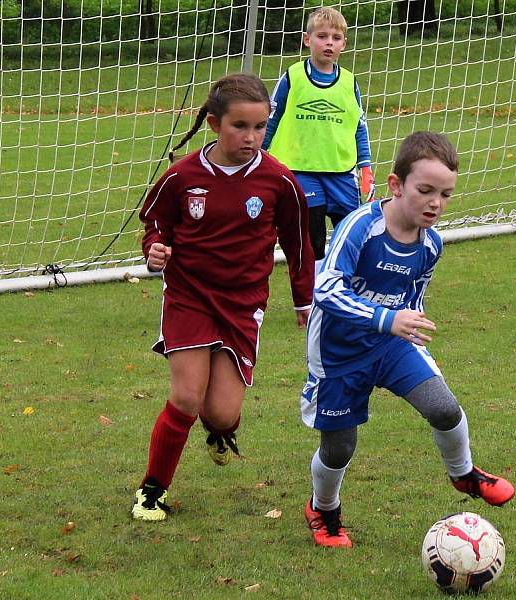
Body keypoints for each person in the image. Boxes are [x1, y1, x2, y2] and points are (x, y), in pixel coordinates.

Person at [299, 131, 515, 547]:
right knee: (340, 447)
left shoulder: (431, 244)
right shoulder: (361, 226)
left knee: (444, 408)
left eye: (446, 194)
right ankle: (323, 509)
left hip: (392, 344)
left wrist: (405, 324)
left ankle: (464, 474)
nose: (436, 202)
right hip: (338, 353)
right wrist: (385, 318)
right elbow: (324, 289)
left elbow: (411, 296)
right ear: (396, 185)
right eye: (426, 190)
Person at [131, 73, 315, 521]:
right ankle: (152, 491)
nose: (251, 137)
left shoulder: (278, 181)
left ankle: (221, 432)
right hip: (189, 294)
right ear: (214, 124)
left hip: (242, 303)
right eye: (240, 127)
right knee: (186, 398)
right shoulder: (182, 176)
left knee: (220, 412)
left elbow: (298, 243)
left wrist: (303, 300)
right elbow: (155, 224)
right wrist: (154, 248)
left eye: (259, 127)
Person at [262, 6, 374, 275]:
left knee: (351, 236)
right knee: (312, 238)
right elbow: (270, 119)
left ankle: (347, 288)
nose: (329, 43)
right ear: (307, 39)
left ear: (343, 44)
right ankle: (313, 295)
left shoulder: (349, 82)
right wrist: (258, 154)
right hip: (301, 171)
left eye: (336, 38)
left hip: (341, 173)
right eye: (322, 36)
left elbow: (359, 126)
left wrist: (366, 166)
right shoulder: (293, 77)